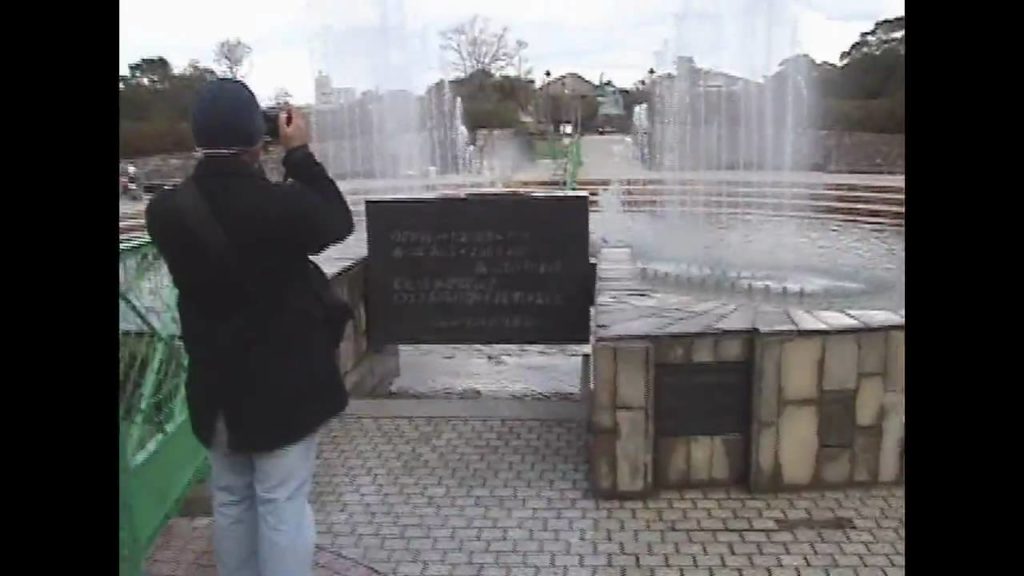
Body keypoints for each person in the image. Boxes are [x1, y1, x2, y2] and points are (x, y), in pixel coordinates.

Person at [145, 78, 354, 576]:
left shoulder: (166, 212)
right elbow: (337, 221)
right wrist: (298, 155)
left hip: (215, 389)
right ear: (257, 142)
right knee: (281, 504)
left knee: (233, 502)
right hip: (283, 391)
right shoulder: (281, 207)